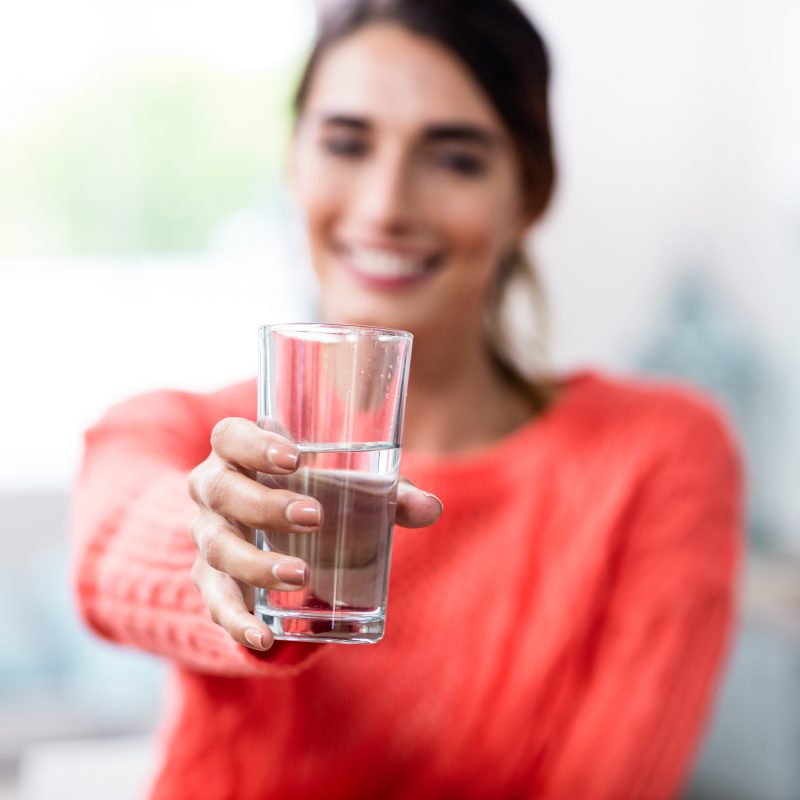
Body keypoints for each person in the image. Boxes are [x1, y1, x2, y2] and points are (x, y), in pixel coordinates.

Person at [70, 1, 742, 798]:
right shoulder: (191, 435)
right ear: (293, 164)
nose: (387, 204)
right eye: (346, 144)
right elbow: (113, 539)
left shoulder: (657, 454)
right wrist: (220, 548)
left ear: (527, 195)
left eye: (454, 159)